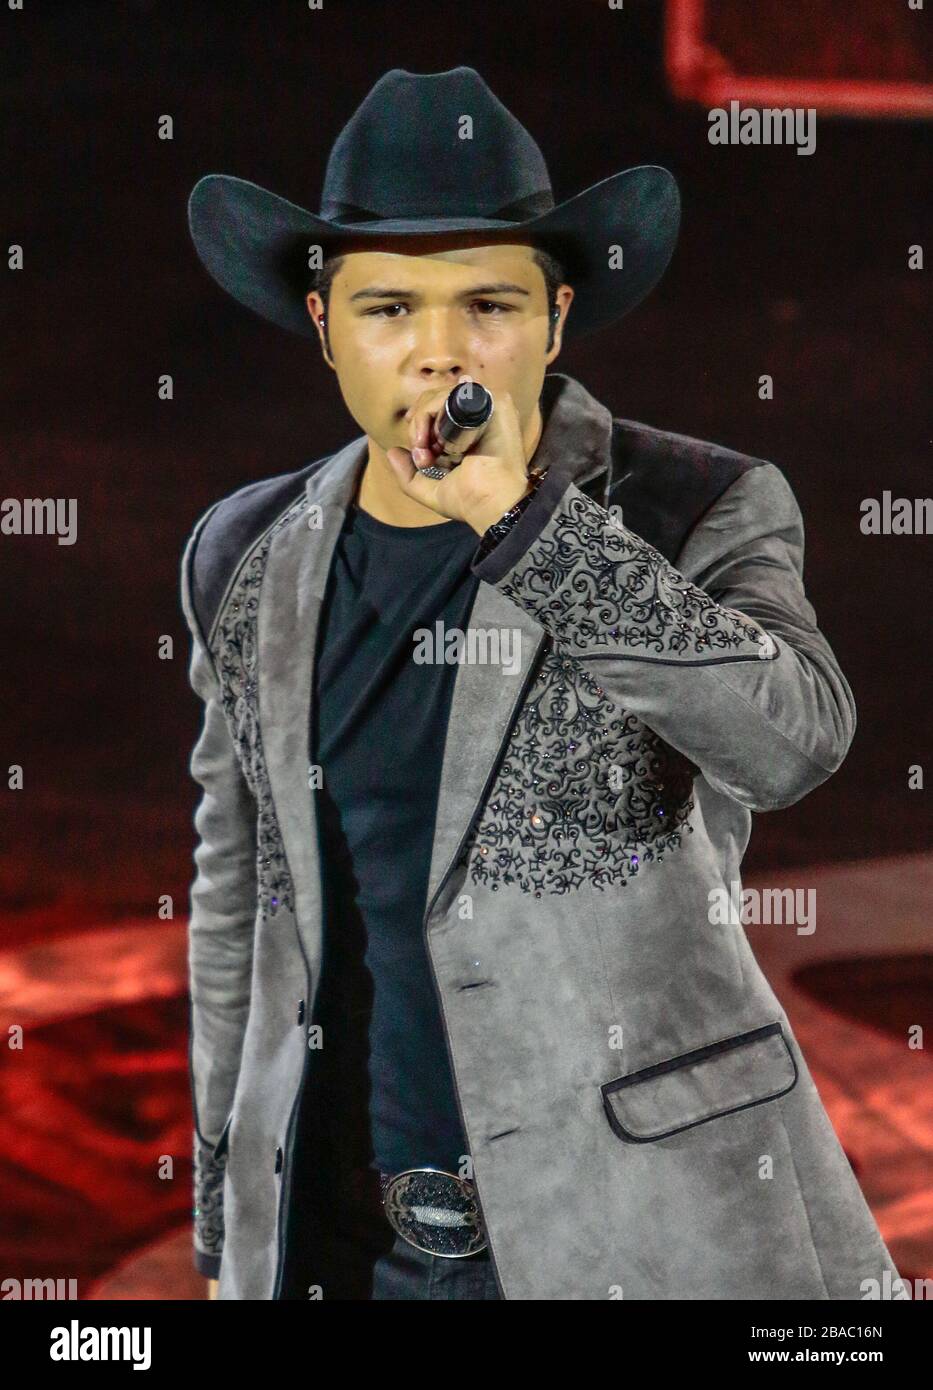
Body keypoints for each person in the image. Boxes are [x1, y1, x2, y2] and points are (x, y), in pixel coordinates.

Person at [183, 67, 901, 1300]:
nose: (440, 352)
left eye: (490, 306)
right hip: (346, 1248)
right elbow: (237, 897)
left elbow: (793, 741)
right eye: (391, 308)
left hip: (644, 1237)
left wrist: (530, 525)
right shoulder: (246, 555)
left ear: (558, 320)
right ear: (324, 325)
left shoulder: (694, 504)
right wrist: (225, 1217)